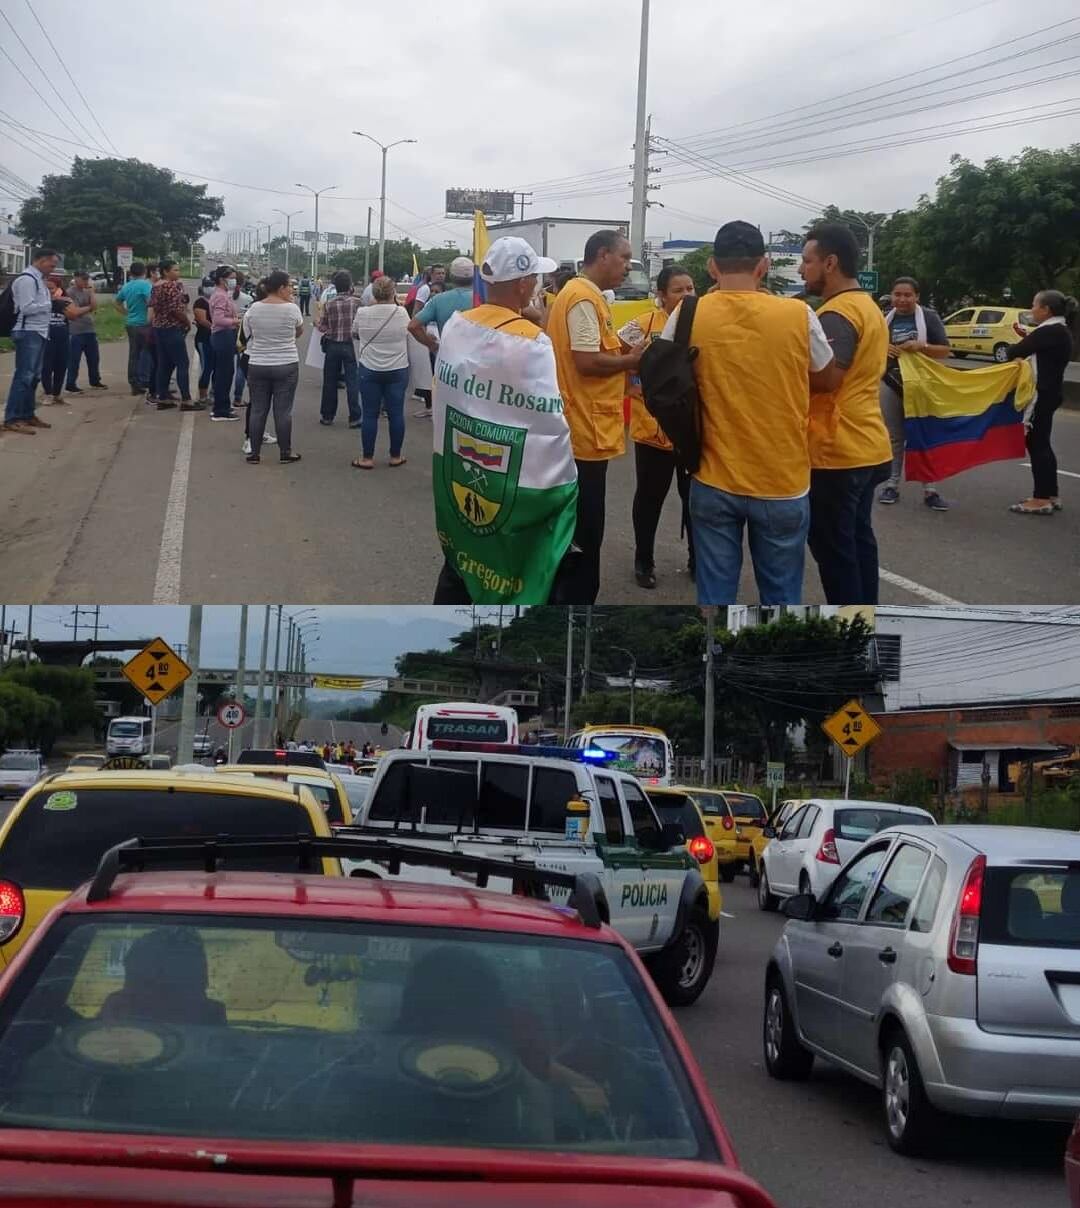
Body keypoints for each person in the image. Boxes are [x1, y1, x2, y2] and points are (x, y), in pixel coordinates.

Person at [660, 222, 835, 604]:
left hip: (711, 476)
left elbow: (661, 374)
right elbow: (824, 373)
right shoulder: (798, 314)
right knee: (782, 597)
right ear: (764, 265)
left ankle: (715, 661)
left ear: (711, 267)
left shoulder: (687, 314)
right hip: (783, 481)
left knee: (716, 597)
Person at [431, 236, 578, 605]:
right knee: (516, 556)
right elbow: (552, 420)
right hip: (514, 484)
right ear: (525, 283)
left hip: (460, 467)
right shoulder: (532, 343)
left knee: (465, 556)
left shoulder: (457, 326)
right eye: (536, 279)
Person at [546, 230, 645, 603]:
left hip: (583, 426)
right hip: (584, 431)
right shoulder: (583, 298)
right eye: (624, 258)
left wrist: (624, 355)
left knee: (581, 529)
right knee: (585, 532)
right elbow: (587, 362)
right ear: (603, 255)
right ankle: (575, 602)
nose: (627, 267)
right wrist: (631, 361)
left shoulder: (585, 296)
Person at [799, 224, 892, 605]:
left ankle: (852, 633)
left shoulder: (838, 314)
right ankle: (867, 620)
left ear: (831, 263)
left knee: (835, 552)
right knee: (857, 541)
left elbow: (827, 379)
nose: (802, 270)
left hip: (838, 451)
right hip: (868, 445)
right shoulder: (867, 306)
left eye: (807, 261)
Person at [620, 265, 697, 589]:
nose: (687, 295)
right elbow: (620, 349)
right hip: (653, 428)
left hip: (693, 428)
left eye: (691, 288)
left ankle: (698, 558)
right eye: (678, 290)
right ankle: (644, 559)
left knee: (695, 499)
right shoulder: (644, 325)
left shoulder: (703, 324)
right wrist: (630, 385)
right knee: (650, 497)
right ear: (661, 296)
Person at [877, 276, 952, 509]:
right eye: (897, 294)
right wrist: (881, 348)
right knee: (894, 437)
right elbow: (867, 350)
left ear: (917, 297)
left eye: (908, 295)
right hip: (890, 383)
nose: (902, 299)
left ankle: (930, 490)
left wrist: (923, 346)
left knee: (923, 435)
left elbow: (945, 350)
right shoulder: (883, 319)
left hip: (921, 384)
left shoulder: (929, 317)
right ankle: (892, 485)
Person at [1005, 289, 1077, 515]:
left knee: (1037, 445)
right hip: (1050, 393)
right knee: (1042, 443)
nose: (1031, 309)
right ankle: (1050, 493)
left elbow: (1013, 351)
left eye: (1034, 305)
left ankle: (1041, 498)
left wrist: (1017, 349)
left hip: (1041, 395)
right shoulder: (1060, 330)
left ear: (1046, 310)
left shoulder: (1050, 331)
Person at [241, 269, 303, 464]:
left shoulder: (254, 308)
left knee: (258, 409)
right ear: (281, 287)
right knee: (283, 411)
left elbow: (247, 333)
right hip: (286, 363)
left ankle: (254, 453)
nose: (291, 290)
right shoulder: (292, 308)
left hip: (258, 363)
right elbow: (299, 331)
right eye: (289, 286)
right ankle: (285, 452)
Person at [2, 247, 64, 435]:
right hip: (28, 331)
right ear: (40, 260)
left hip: (39, 332)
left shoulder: (38, 279)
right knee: (24, 376)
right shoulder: (27, 280)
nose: (52, 268)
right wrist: (51, 304)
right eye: (51, 264)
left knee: (34, 376)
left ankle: (28, 414)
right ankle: (12, 418)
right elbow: (26, 308)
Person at [351, 274, 410, 469]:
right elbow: (407, 333)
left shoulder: (362, 313)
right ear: (393, 293)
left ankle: (367, 458)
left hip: (369, 368)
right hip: (397, 368)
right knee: (396, 414)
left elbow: (355, 333)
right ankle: (395, 455)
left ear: (373, 293)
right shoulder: (401, 313)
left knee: (369, 414)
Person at [407, 256, 475, 419]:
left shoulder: (438, 299)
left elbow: (413, 325)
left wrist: (431, 345)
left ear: (451, 276)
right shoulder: (482, 299)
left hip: (447, 360)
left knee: (449, 408)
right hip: (476, 361)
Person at [148, 258, 199, 412]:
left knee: (164, 364)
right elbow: (176, 310)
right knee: (182, 363)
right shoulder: (170, 286)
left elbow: (153, 305)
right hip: (172, 328)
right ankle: (186, 400)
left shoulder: (156, 286)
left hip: (159, 327)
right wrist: (187, 322)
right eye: (175, 270)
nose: (178, 272)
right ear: (166, 271)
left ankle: (162, 397)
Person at [317, 270, 362, 427]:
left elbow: (323, 327)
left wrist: (317, 324)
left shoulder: (329, 304)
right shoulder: (358, 303)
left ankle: (327, 416)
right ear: (350, 286)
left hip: (332, 345)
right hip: (351, 345)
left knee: (329, 382)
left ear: (335, 287)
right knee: (352, 382)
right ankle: (355, 417)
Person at [64, 270, 107, 394]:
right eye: (83, 279)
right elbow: (75, 311)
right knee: (74, 359)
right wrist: (88, 308)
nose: (85, 282)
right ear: (75, 279)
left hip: (89, 329)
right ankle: (71, 383)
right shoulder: (70, 292)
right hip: (75, 330)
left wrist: (91, 291)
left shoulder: (87, 291)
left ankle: (95, 380)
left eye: (86, 279)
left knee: (94, 358)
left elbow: (94, 306)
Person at [115, 260, 153, 396]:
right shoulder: (146, 286)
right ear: (144, 272)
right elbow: (151, 303)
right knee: (149, 353)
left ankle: (134, 383)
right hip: (144, 323)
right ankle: (147, 380)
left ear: (131, 273)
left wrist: (127, 313)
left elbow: (117, 302)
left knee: (134, 355)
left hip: (131, 323)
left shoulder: (127, 286)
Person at [208, 267, 241, 421]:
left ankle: (221, 406)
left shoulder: (221, 294)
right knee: (224, 373)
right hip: (223, 335)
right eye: (232, 277)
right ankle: (221, 409)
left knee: (224, 373)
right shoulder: (220, 296)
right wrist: (236, 321)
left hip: (223, 335)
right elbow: (218, 319)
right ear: (222, 279)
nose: (234, 281)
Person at [40, 272, 77, 405]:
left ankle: (57, 393)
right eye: (46, 288)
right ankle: (48, 393)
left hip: (63, 337)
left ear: (59, 288)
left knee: (61, 365)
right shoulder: (41, 301)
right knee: (46, 366)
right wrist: (51, 300)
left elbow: (74, 315)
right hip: (47, 337)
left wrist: (61, 303)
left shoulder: (65, 300)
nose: (49, 291)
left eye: (51, 288)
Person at [230, 272, 256, 408]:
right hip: (242, 334)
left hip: (227, 332)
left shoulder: (225, 296)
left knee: (223, 367)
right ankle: (238, 398)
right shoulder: (248, 299)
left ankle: (213, 394)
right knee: (240, 367)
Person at [191, 288, 214, 403]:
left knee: (216, 367)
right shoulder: (200, 303)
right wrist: (217, 327)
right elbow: (203, 321)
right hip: (204, 339)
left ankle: (212, 394)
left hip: (216, 339)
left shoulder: (217, 300)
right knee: (207, 367)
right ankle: (202, 396)